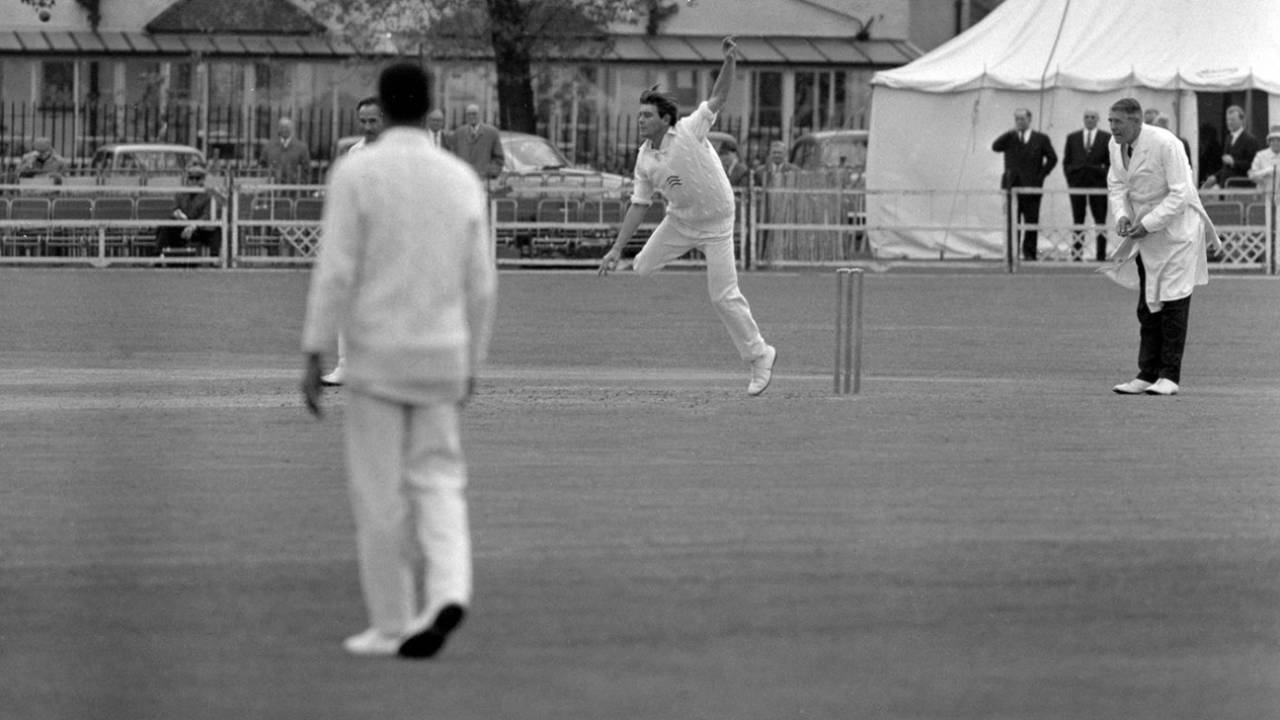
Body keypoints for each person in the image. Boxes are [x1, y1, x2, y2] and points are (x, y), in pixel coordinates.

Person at [300, 62, 497, 659]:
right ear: (431, 108)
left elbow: (335, 269)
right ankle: (449, 592)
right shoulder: (459, 177)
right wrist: (473, 363)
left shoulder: (357, 171)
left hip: (377, 357)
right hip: (443, 354)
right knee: (439, 480)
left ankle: (391, 623)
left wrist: (314, 350)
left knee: (379, 494)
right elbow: (482, 283)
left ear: (381, 109)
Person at [596, 36, 776, 397]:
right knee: (641, 267)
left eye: (647, 115)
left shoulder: (690, 128)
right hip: (680, 222)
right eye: (639, 115)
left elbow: (719, 96)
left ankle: (760, 355)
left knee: (722, 296)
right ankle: (637, 260)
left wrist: (730, 61)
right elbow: (639, 205)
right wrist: (616, 248)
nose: (640, 120)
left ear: (665, 119)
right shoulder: (644, 159)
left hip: (717, 222)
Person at [1101, 97, 1222, 397]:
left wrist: (1149, 222)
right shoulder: (1115, 145)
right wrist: (1122, 215)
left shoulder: (1167, 144)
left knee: (1173, 301)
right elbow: (1117, 184)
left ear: (1136, 121)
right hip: (1146, 234)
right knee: (1148, 304)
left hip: (1178, 232)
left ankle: (1169, 375)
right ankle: (1147, 374)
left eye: (1118, 121)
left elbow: (1181, 193)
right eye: (1110, 121)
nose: (1112, 127)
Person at [321, 96, 384, 387]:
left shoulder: (400, 152)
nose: (368, 127)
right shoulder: (355, 153)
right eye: (363, 121)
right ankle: (346, 366)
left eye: (373, 121)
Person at [992, 108, 1058, 261]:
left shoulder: (1041, 139)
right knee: (1012, 222)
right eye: (1017, 119)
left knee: (1031, 222)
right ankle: (1012, 253)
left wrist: (1041, 176)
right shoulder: (1010, 138)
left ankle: (1029, 253)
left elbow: (1052, 158)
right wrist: (1010, 132)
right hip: (1012, 186)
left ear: (1029, 119)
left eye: (1022, 119)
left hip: (1032, 186)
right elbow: (995, 147)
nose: (1020, 122)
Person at [1061, 110, 1111, 261]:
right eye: (1087, 117)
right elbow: (1066, 161)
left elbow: (1111, 163)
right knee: (1078, 220)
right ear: (1083, 119)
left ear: (1098, 119)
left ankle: (1101, 255)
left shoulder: (1106, 138)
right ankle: (1077, 255)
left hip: (1098, 185)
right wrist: (1071, 179)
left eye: (1093, 117)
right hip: (1077, 184)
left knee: (1100, 221)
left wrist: (1104, 177)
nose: (1090, 120)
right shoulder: (1072, 138)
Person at [157, 161, 220, 256]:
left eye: (197, 178)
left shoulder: (208, 195)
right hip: (182, 226)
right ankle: (156, 257)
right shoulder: (180, 193)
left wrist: (193, 225)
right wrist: (177, 214)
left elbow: (206, 215)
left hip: (199, 229)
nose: (194, 181)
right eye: (191, 178)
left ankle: (214, 260)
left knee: (216, 230)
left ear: (203, 179)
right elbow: (174, 209)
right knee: (164, 227)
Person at [1201, 105, 1259, 190]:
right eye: (1228, 120)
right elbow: (1226, 166)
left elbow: (1253, 165)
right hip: (1225, 184)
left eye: (1233, 120)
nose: (1229, 122)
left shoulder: (1250, 140)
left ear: (1242, 120)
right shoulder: (1229, 138)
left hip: (1240, 186)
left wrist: (1234, 163)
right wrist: (1215, 177)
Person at [450, 103, 504, 179]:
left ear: (480, 115)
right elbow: (452, 156)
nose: (471, 116)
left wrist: (491, 172)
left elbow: (499, 158)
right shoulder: (459, 133)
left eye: (474, 114)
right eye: (469, 114)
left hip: (483, 178)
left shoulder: (492, 133)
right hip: (463, 178)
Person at [260, 117, 311, 184]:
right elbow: (262, 166)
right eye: (282, 127)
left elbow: (306, 169)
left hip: (294, 187)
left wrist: (300, 182)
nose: (284, 129)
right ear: (278, 129)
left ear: (292, 129)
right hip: (273, 186)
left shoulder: (302, 148)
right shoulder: (268, 147)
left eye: (287, 127)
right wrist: (268, 178)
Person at [1246, 125, 1280, 200]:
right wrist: (1265, 171)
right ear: (1269, 142)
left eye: (1278, 140)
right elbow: (1252, 175)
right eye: (1273, 140)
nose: (1276, 143)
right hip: (1263, 195)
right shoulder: (1260, 155)